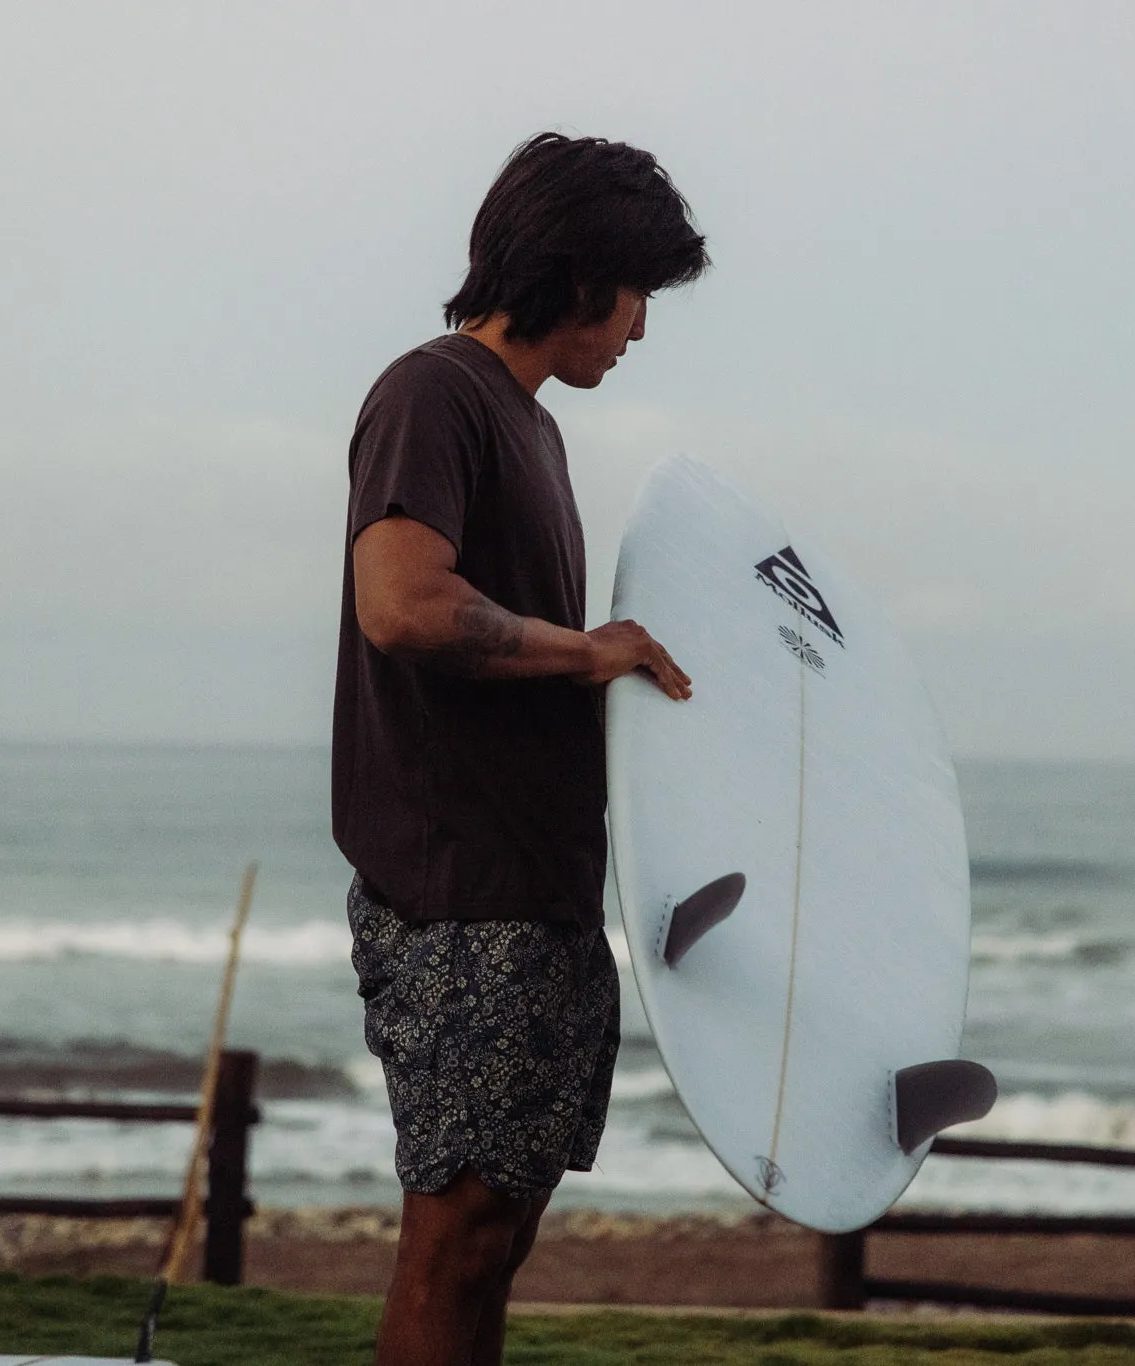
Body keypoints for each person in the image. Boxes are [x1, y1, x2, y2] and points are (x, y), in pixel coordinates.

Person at [332, 132, 708, 1366]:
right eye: (638, 292)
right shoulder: (430, 394)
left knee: (495, 1241)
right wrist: (586, 651)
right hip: (457, 901)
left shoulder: (530, 429)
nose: (640, 330)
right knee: (451, 1244)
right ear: (578, 272)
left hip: (535, 901)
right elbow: (400, 604)